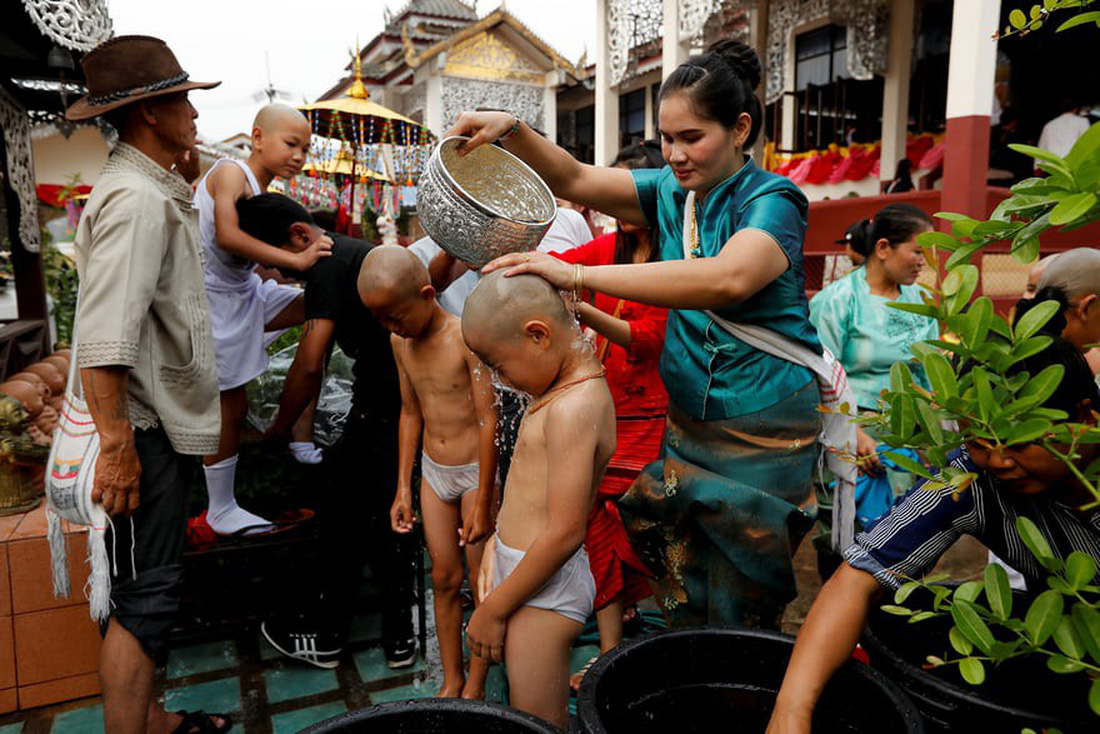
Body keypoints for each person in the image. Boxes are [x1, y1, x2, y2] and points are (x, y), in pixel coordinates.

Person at [462, 38, 825, 628]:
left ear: (739, 129)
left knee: (742, 591)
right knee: (684, 582)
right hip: (687, 422)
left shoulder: (774, 200)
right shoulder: (671, 192)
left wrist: (575, 273)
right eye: (667, 139)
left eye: (692, 138)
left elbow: (729, 278)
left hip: (762, 424)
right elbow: (577, 177)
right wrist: (515, 131)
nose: (675, 154)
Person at [766, 336, 1100, 734]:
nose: (999, 460)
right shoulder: (973, 479)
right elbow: (859, 577)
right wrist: (791, 712)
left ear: (1086, 418)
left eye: (1020, 441)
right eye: (978, 439)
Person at [65, 35, 228, 733]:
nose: (194, 113)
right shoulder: (135, 200)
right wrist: (118, 445)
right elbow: (106, 341)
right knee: (143, 599)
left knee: (146, 588)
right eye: (183, 100)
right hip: (142, 433)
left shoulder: (147, 187)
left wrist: (182, 167)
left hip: (151, 427)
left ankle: (153, 720)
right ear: (149, 113)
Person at [234, 194, 416, 670]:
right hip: (397, 402)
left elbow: (310, 363)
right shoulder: (348, 253)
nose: (273, 273)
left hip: (383, 407)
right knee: (387, 518)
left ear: (298, 237)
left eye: (275, 261)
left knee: (342, 518)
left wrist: (279, 424)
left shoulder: (328, 266)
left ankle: (327, 635)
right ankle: (400, 637)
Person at [462, 271, 615, 730]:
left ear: (537, 335)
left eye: (500, 367)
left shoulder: (575, 407)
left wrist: (492, 609)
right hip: (524, 576)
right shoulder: (555, 388)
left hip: (545, 593)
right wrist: (495, 545)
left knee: (539, 723)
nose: (498, 380)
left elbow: (566, 530)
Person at [356, 246, 498, 699]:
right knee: (442, 577)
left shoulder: (465, 338)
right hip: (434, 475)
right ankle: (451, 677)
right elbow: (410, 412)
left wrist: (484, 497)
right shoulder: (400, 342)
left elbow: (487, 419)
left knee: (481, 584)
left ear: (426, 293)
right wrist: (403, 486)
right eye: (380, 320)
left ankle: (476, 681)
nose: (390, 328)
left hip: (476, 472)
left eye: (394, 317)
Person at [551, 141, 667, 687]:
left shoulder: (676, 258)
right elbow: (561, 267)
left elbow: (648, 340)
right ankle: (611, 648)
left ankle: (664, 638)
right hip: (606, 408)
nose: (609, 203)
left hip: (654, 416)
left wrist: (583, 302)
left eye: (622, 192)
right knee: (594, 524)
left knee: (649, 531)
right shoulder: (608, 247)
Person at [194, 103, 332, 537]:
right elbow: (228, 235)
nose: (299, 156)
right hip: (212, 299)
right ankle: (220, 507)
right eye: (291, 144)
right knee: (230, 404)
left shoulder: (267, 192)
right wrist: (300, 257)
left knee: (323, 308)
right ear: (257, 137)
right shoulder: (232, 172)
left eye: (306, 149)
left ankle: (300, 434)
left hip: (245, 293)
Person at [809, 205, 937, 504]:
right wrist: (855, 436)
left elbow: (930, 373)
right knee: (848, 535)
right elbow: (818, 379)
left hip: (908, 436)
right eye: (918, 252)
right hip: (850, 431)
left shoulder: (921, 302)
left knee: (903, 531)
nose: (924, 262)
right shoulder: (837, 302)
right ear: (883, 248)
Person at [1036, 100, 1090, 170]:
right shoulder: (1082, 121)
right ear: (1076, 108)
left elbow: (1041, 147)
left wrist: (1037, 166)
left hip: (1052, 166)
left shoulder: (1050, 125)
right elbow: (1086, 144)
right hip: (1072, 165)